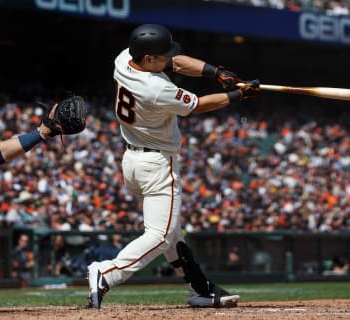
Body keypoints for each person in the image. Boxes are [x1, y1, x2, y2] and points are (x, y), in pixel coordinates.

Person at [86, 24, 260, 309]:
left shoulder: (123, 58)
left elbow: (176, 61)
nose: (169, 58)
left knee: (172, 233)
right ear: (149, 59)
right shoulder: (156, 88)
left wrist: (216, 73)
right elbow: (199, 105)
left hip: (132, 160)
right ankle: (107, 273)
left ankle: (200, 289)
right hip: (157, 164)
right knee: (161, 234)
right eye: (162, 55)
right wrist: (239, 96)